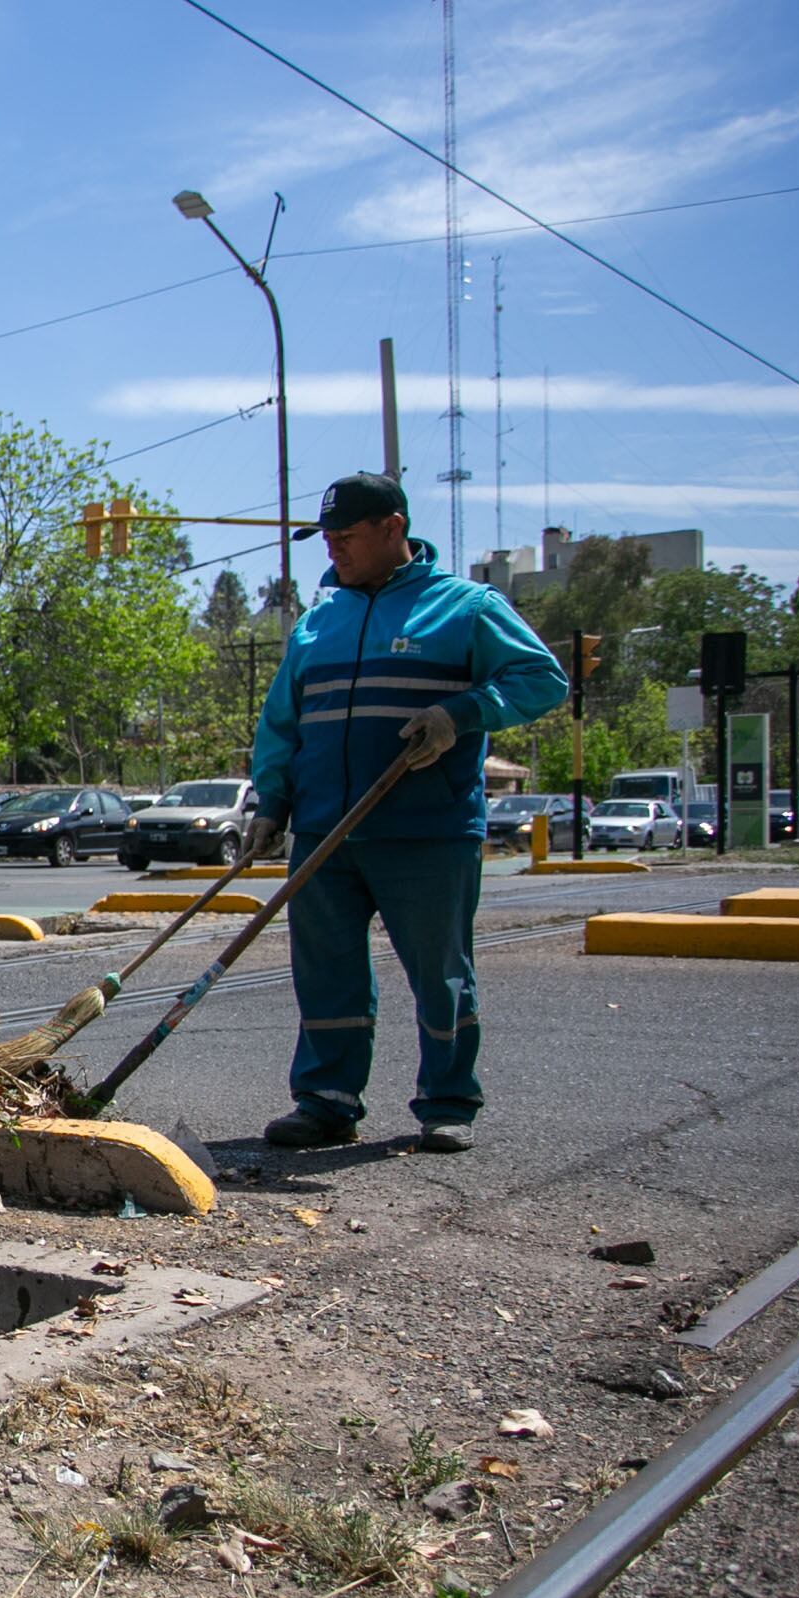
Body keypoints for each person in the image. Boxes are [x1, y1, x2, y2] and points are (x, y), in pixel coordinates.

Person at [243, 473, 567, 1154]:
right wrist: (272, 802)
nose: (333, 551)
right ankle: (327, 1099)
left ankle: (447, 1102)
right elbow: (283, 723)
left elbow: (542, 679)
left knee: (439, 971)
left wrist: (462, 714)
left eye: (347, 537)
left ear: (393, 528)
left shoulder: (466, 608)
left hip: (427, 831)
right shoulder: (318, 623)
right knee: (326, 971)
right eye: (326, 539)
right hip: (327, 834)